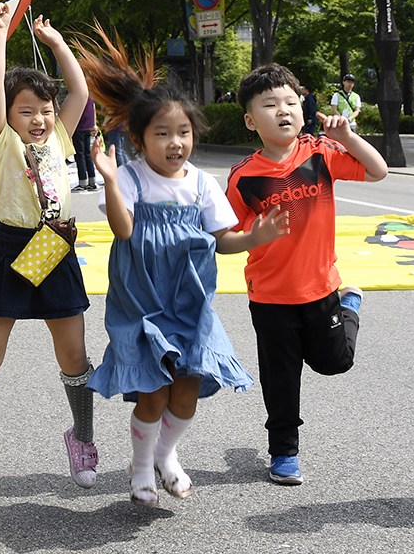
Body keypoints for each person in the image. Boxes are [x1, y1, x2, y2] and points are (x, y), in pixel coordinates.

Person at [82, 35, 289, 505]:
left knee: (187, 393)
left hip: (192, 306)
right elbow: (124, 231)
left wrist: (257, 237)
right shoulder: (132, 177)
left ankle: (167, 455)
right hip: (142, 306)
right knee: (153, 394)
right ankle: (140, 471)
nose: (175, 143)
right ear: (138, 139)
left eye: (183, 133)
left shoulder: (201, 183)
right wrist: (111, 182)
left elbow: (224, 241)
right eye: (161, 133)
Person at [0, 3, 96, 495]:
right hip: (13, 245)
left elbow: (78, 90)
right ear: (8, 116)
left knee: (74, 355)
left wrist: (56, 42)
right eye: (27, 111)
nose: (38, 119)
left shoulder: (59, 136)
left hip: (57, 245)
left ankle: (83, 438)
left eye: (45, 110)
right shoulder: (1, 141)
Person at [226, 63, 388, 485]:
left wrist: (347, 137)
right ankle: (283, 453)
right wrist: (252, 237)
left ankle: (349, 305)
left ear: (303, 109)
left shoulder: (320, 153)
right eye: (269, 105)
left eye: (291, 102)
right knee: (280, 379)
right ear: (250, 120)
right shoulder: (245, 177)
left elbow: (377, 171)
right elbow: (222, 238)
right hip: (270, 296)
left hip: (321, 289)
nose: (284, 110)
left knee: (335, 363)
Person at [73, 95, 98, 191]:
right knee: (87, 154)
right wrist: (94, 124)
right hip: (89, 126)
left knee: (80, 155)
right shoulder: (91, 96)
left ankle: (82, 181)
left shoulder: (78, 95)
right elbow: (94, 109)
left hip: (79, 127)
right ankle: (92, 180)